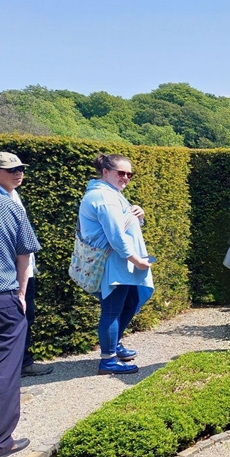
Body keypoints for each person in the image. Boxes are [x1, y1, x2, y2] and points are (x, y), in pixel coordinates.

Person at [0, 147, 39, 457]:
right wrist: (21, 294)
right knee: (1, 373)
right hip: (0, 299)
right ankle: (0, 443)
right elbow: (24, 254)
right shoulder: (8, 206)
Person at [78, 154, 155, 375]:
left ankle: (115, 344)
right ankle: (108, 360)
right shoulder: (104, 197)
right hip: (114, 266)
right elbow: (116, 236)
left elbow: (123, 223)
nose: (126, 178)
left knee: (131, 301)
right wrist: (136, 260)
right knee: (111, 310)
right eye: (121, 173)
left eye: (129, 174)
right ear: (105, 172)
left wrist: (137, 214)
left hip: (119, 265)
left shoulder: (111, 194)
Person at [0, 152, 52, 377]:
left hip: (23, 270)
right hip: (9, 273)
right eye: (12, 170)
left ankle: (23, 363)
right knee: (15, 319)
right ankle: (16, 367)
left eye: (21, 169)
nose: (19, 174)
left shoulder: (12, 194)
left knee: (26, 316)